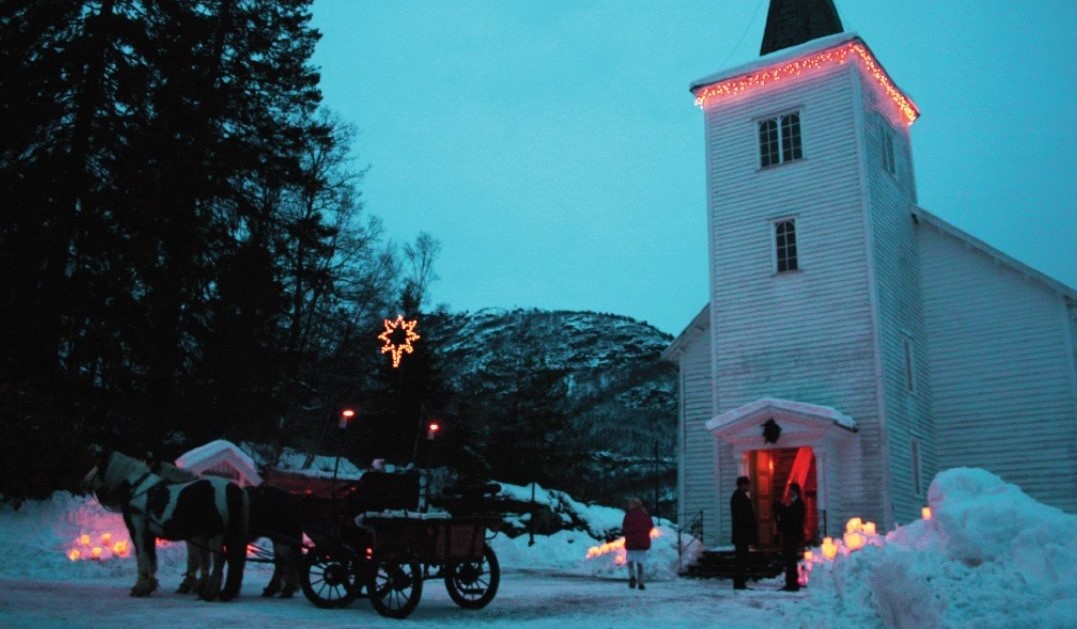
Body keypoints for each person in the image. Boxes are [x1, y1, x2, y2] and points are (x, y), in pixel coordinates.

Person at [774, 482, 806, 592]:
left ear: (795, 491)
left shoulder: (798, 504)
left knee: (791, 559)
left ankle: (792, 584)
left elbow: (794, 518)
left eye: (790, 490)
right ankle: (790, 582)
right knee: (789, 559)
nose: (789, 492)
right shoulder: (793, 503)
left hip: (792, 535)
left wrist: (783, 510)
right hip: (789, 534)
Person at [730, 475, 757, 590]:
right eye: (747, 484)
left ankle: (740, 582)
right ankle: (739, 583)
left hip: (741, 534)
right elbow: (743, 516)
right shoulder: (739, 497)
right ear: (742, 485)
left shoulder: (740, 497)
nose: (749, 487)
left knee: (742, 558)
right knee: (741, 559)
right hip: (741, 534)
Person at [622, 497, 654, 591]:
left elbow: (625, 526)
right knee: (640, 563)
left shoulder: (628, 515)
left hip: (631, 541)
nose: (628, 506)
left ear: (634, 504)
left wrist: (629, 533)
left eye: (630, 504)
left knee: (630, 561)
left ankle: (632, 577)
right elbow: (650, 525)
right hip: (642, 541)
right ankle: (641, 582)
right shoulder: (645, 514)